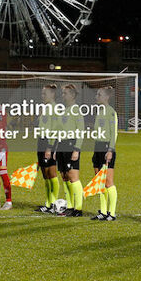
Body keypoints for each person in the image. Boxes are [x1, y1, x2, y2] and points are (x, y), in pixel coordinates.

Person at [56, 83, 85, 217]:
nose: (63, 95)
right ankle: (70, 206)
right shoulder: (65, 110)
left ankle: (78, 209)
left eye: (65, 93)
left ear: (72, 95)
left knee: (73, 177)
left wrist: (76, 149)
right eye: (62, 93)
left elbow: (81, 131)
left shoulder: (76, 110)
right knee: (65, 177)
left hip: (71, 145)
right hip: (62, 145)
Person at [90, 86, 119, 221]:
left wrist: (110, 150)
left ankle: (111, 213)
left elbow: (113, 133)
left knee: (108, 182)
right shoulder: (99, 111)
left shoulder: (111, 112)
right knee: (99, 182)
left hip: (107, 147)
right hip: (98, 146)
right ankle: (102, 211)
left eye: (99, 94)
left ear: (106, 97)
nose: (97, 97)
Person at [34, 84, 60, 214]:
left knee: (51, 173)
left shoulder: (55, 108)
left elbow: (55, 130)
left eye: (45, 94)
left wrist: (50, 147)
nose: (42, 96)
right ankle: (48, 203)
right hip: (41, 141)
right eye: (42, 93)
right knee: (45, 174)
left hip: (50, 143)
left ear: (52, 94)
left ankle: (53, 203)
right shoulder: (45, 108)